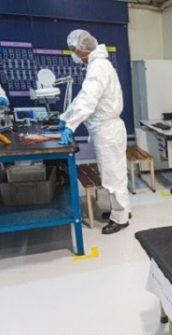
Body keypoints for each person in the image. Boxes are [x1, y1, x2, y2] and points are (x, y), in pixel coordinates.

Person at [58, 29, 130, 234]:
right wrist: (66, 117)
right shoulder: (97, 65)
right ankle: (121, 211)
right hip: (107, 129)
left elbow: (88, 100)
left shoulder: (98, 67)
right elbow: (82, 97)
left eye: (74, 50)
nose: (73, 54)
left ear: (83, 48)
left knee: (113, 176)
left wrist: (71, 125)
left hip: (107, 130)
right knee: (115, 173)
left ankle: (121, 218)